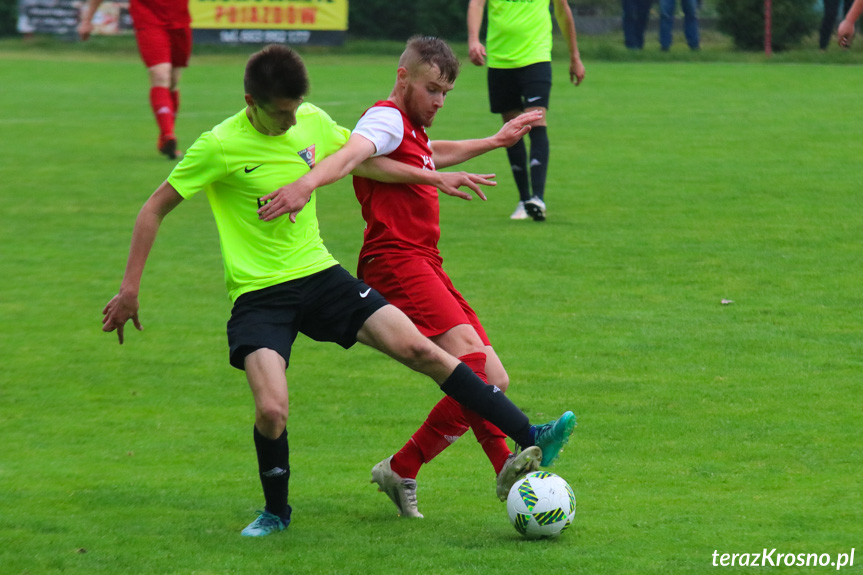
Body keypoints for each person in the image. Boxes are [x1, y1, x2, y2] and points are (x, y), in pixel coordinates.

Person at [102, 44, 577, 537]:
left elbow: (368, 163)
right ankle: (276, 512)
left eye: (294, 110)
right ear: (251, 101)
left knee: (419, 347)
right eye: (279, 112)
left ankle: (528, 434)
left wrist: (436, 174)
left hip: (320, 276)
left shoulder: (310, 120)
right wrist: (130, 288)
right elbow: (153, 208)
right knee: (271, 409)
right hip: (260, 293)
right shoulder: (219, 145)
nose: (290, 122)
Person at [258, 36, 577, 519]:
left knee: (493, 376)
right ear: (404, 76)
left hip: (426, 259)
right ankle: (508, 464)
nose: (439, 102)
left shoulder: (408, 127)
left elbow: (430, 153)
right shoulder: (385, 117)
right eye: (432, 89)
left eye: (446, 93)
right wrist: (305, 185)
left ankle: (403, 467)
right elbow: (353, 158)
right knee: (471, 362)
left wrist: (493, 142)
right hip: (396, 259)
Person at [467, 0, 586, 222]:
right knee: (512, 128)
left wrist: (574, 56)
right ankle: (524, 200)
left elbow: (562, 11)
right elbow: (477, 4)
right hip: (500, 62)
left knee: (536, 121)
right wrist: (474, 40)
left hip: (536, 58)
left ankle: (538, 198)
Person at [78, 0, 191, 159]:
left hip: (180, 21)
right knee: (160, 74)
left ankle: (165, 137)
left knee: (173, 81)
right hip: (149, 21)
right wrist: (86, 21)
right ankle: (168, 134)